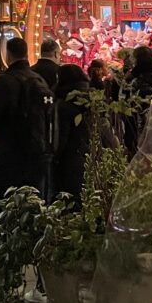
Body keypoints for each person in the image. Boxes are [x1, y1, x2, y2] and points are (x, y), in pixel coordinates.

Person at [0, 36, 51, 216]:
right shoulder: (39, 80)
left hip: (9, 153)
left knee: (1, 205)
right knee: (33, 204)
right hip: (36, 151)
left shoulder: (5, 81)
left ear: (8, 55)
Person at [53, 63, 118, 203]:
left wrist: (54, 158)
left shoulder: (63, 105)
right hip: (96, 157)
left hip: (72, 160)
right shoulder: (94, 100)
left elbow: (60, 138)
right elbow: (106, 131)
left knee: (73, 202)